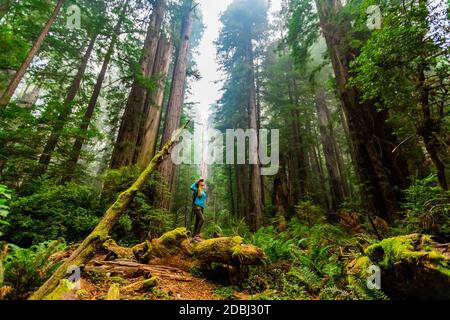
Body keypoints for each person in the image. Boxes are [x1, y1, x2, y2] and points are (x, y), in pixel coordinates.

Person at [190, 178, 206, 242]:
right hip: (196, 206)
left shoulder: (203, 191)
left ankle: (193, 237)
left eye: (203, 181)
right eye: (202, 181)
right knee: (202, 219)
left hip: (201, 207)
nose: (203, 182)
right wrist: (197, 181)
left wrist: (202, 207)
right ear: (200, 183)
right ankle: (197, 235)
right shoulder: (196, 189)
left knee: (197, 222)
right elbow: (191, 187)